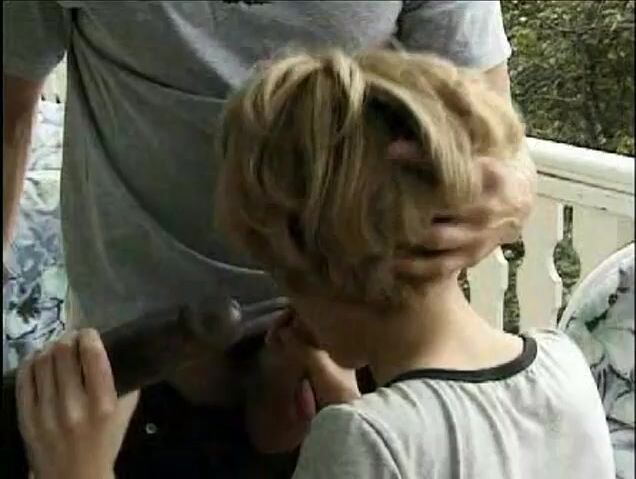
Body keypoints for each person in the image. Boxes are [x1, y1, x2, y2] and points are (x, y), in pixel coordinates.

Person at [16, 49, 614, 479]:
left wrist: (80, 469)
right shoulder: (563, 367)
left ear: (317, 267)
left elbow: (386, 450)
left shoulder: (364, 440)